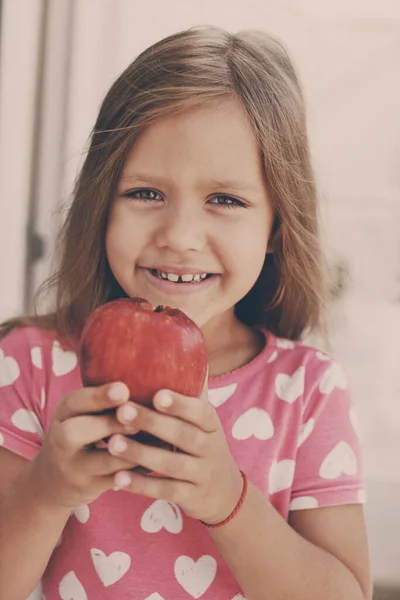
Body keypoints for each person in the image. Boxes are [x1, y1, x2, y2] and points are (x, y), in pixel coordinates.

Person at [0, 26, 372, 600]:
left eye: (225, 200)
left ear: (276, 227)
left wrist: (230, 499)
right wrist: (46, 491)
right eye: (146, 193)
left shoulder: (307, 391)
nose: (179, 237)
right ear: (101, 204)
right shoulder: (30, 364)